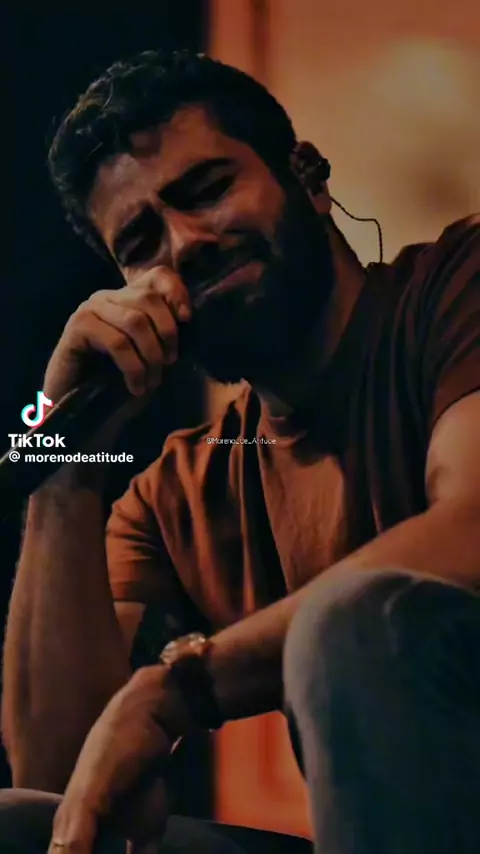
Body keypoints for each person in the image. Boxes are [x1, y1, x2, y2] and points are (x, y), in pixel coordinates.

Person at [1, 48, 480, 854]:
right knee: (13, 824)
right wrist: (59, 458)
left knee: (347, 621)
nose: (185, 244)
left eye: (207, 190)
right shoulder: (179, 492)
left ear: (308, 176)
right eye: (142, 241)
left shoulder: (455, 288)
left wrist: (177, 691)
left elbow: (472, 530)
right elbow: (64, 784)